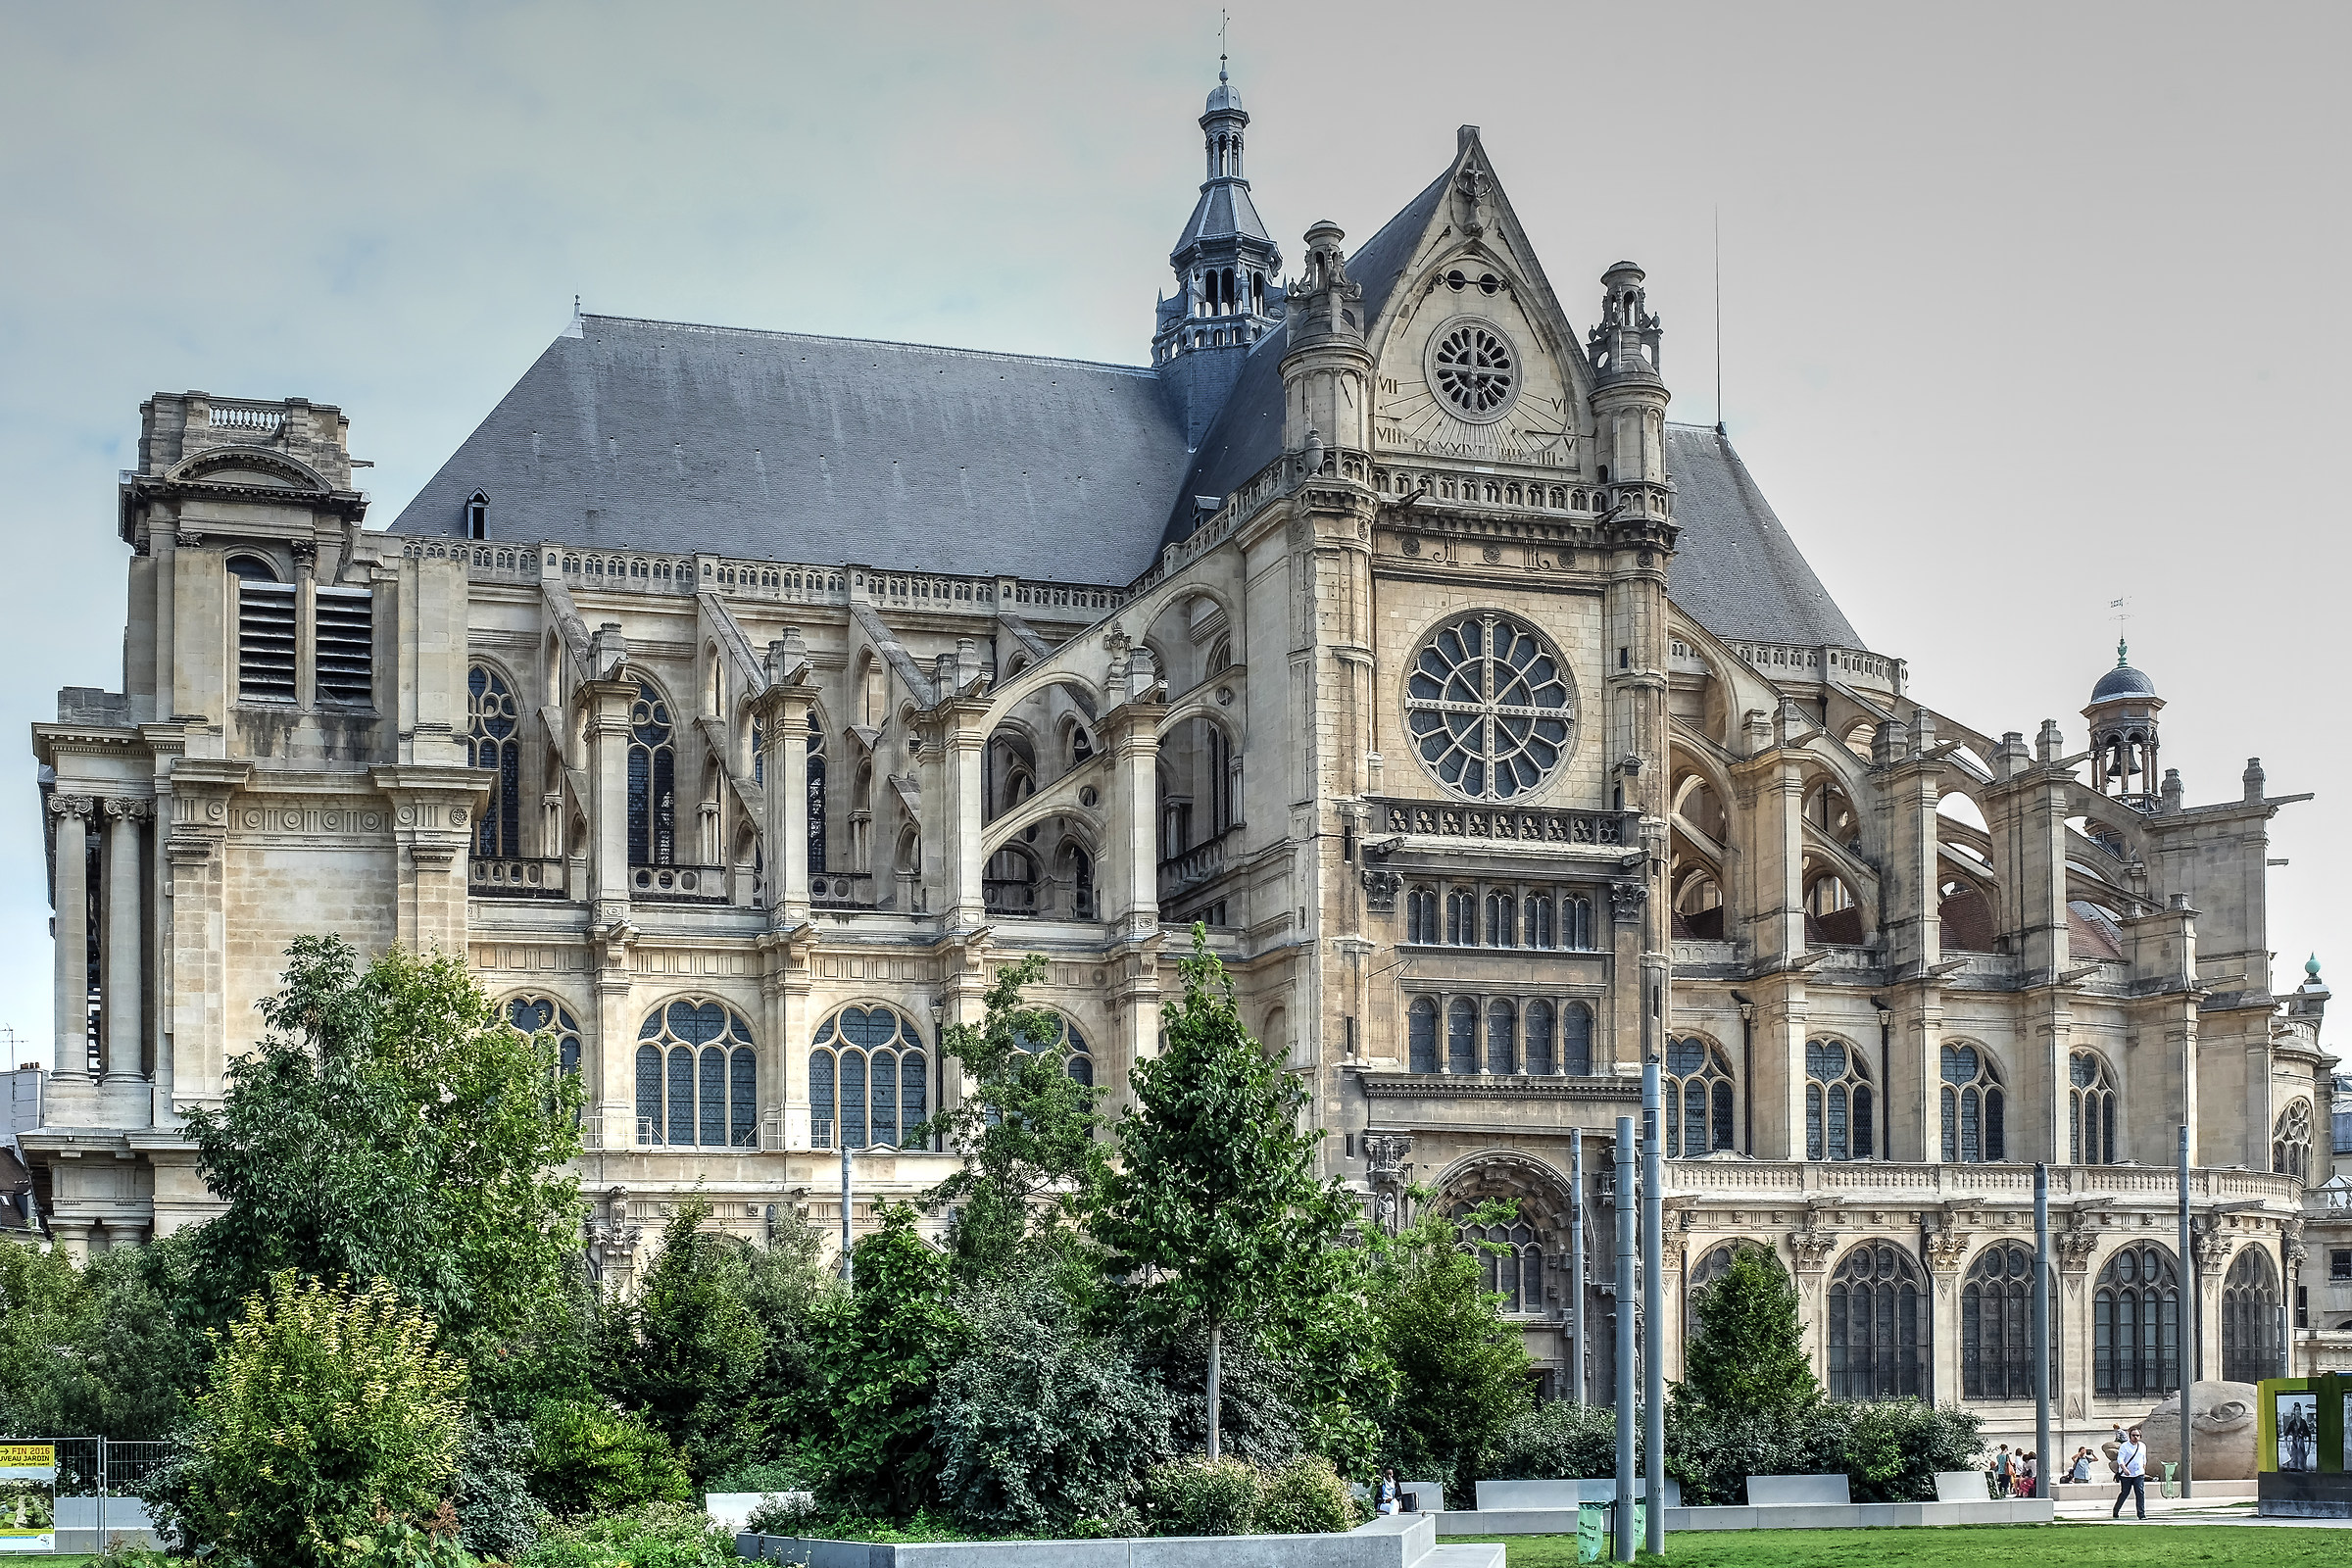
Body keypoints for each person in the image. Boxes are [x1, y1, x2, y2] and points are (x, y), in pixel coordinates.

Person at [2113, 1426, 2148, 1520]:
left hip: (2138, 1473)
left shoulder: (2142, 1446)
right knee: (2125, 1493)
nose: (2135, 1437)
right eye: (2133, 1435)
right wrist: (2124, 1469)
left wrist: (2143, 1470)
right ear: (2130, 1436)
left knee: (2140, 1492)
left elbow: (2144, 1459)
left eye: (2137, 1435)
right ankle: (2116, 1509)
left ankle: (2141, 1514)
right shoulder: (2124, 1446)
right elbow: (2120, 1459)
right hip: (2126, 1475)